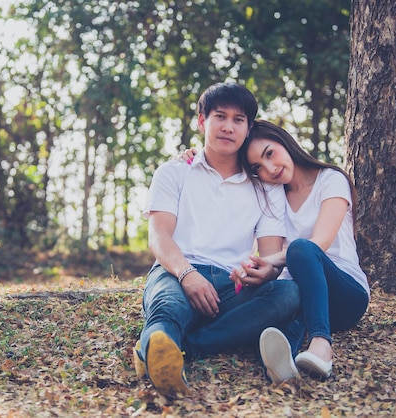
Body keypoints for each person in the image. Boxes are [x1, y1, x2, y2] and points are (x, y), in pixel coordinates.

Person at [134, 83, 300, 397]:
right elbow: (159, 236)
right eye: (219, 116)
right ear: (202, 121)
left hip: (231, 285)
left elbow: (269, 256)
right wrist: (187, 274)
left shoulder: (266, 188)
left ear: (248, 128)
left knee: (288, 293)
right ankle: (160, 343)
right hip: (176, 271)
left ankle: (181, 347)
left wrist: (263, 272)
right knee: (168, 305)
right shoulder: (174, 172)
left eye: (238, 120)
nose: (228, 126)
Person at [225, 119, 371, 381]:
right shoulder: (274, 195)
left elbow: (319, 244)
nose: (270, 168)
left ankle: (321, 345)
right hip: (304, 298)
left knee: (301, 249)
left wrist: (270, 260)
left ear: (285, 142)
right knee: (285, 295)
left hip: (346, 295)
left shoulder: (331, 181)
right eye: (258, 167)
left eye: (270, 153)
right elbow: (274, 264)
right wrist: (260, 270)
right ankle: (280, 365)